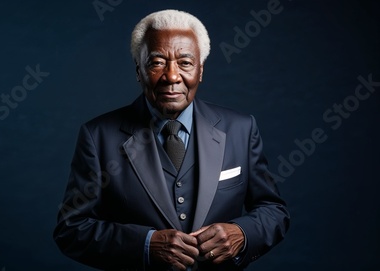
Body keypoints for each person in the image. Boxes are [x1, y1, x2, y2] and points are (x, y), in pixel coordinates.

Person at [53, 9, 290, 271]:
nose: (172, 76)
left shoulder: (241, 129)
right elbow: (71, 229)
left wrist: (242, 233)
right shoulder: (98, 136)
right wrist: (145, 244)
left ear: (200, 71)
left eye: (185, 63)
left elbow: (273, 210)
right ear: (139, 71)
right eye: (157, 63)